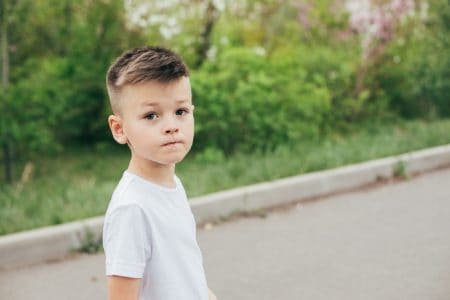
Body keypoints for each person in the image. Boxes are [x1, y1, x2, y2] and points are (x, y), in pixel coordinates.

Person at [102, 46, 218, 300]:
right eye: (151, 115)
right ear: (119, 129)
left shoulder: (171, 184)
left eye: (180, 112)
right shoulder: (132, 209)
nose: (171, 127)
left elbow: (182, 273)